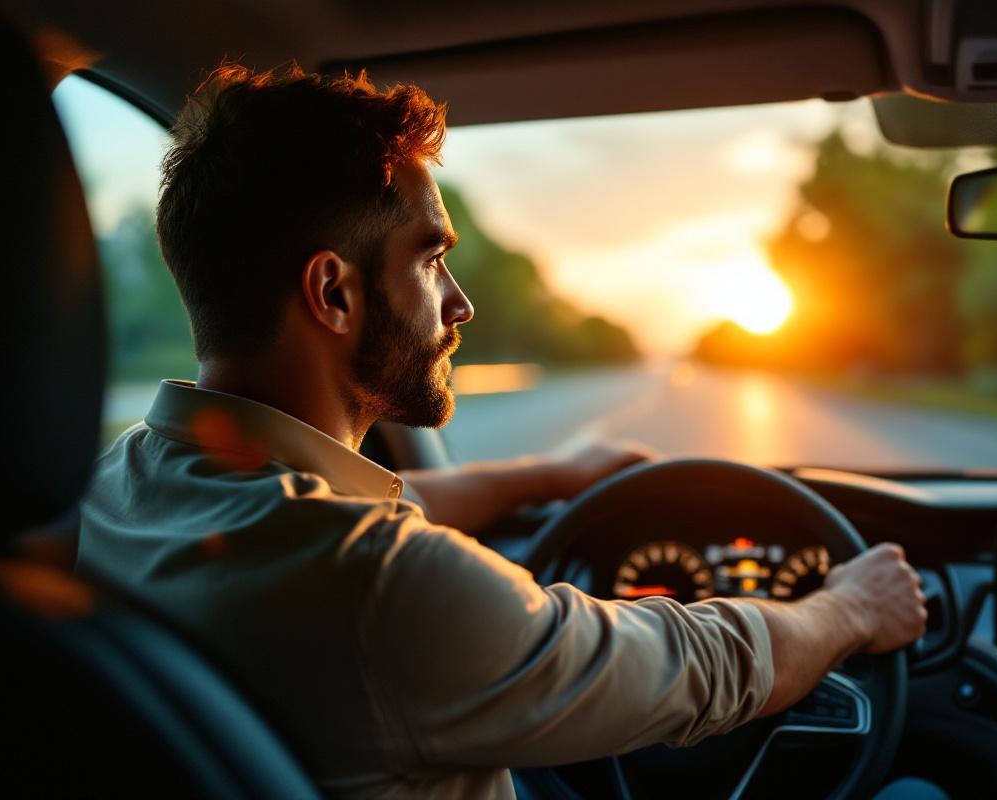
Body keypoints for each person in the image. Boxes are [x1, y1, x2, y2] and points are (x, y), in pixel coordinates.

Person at [78, 65, 928, 799]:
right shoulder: (388, 590)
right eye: (429, 258)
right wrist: (848, 607)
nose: (459, 303)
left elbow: (333, 513)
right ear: (332, 293)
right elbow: (698, 665)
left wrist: (545, 477)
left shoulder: (119, 487)